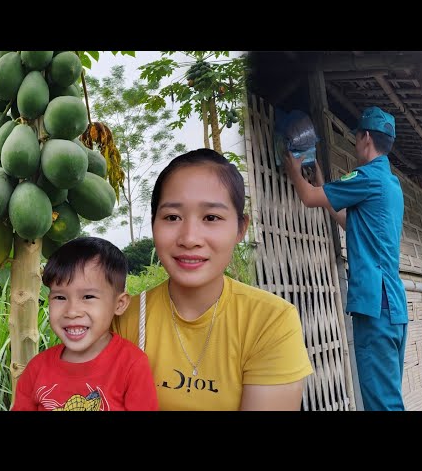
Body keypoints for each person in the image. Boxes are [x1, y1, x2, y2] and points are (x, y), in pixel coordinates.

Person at [112, 148, 314, 411]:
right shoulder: (124, 319)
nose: (189, 238)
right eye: (172, 217)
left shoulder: (270, 321)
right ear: (153, 225)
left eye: (211, 218)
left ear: (241, 228)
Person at [284, 106, 408, 411]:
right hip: (393, 305)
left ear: (365, 138)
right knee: (387, 397)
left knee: (382, 404)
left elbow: (308, 198)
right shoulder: (391, 186)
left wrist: (292, 168)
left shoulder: (367, 177)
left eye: (356, 138)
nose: (355, 144)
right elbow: (350, 223)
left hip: (374, 304)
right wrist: (324, 187)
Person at [12, 236, 158, 411]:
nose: (72, 311)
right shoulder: (36, 368)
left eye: (88, 297)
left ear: (119, 304)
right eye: (60, 297)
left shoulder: (132, 365)